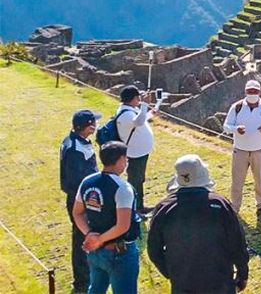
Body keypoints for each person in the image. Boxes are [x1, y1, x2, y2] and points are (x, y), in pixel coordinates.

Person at [148, 154, 249, 293]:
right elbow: (237, 242)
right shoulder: (219, 204)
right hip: (219, 281)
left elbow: (154, 249)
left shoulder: (164, 208)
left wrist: (171, 273)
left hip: (183, 283)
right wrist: (243, 273)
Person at [72, 141, 141, 294]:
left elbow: (77, 213)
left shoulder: (87, 181)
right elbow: (123, 226)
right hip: (119, 253)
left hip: (95, 252)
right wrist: (99, 239)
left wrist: (90, 235)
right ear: (121, 160)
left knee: (95, 289)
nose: (127, 162)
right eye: (126, 159)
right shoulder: (123, 188)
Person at [222, 79, 261, 217]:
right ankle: (235, 206)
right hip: (240, 150)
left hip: (259, 150)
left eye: (255, 91)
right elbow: (226, 127)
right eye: (250, 91)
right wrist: (236, 129)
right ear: (245, 92)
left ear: (260, 92)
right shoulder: (236, 107)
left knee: (259, 179)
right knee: (237, 180)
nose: (252, 93)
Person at [60, 110, 101, 292]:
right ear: (89, 126)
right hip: (80, 200)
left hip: (82, 198)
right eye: (94, 123)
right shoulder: (75, 149)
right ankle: (82, 282)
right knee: (82, 239)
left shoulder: (76, 141)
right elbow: (76, 180)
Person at [116, 85, 156, 215]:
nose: (139, 99)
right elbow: (138, 122)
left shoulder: (129, 111)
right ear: (133, 98)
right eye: (138, 97)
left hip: (139, 152)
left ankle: (139, 206)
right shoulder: (125, 114)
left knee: (139, 179)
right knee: (135, 181)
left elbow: (140, 120)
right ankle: (135, 209)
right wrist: (145, 104)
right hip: (135, 154)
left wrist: (150, 113)